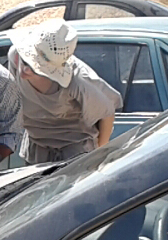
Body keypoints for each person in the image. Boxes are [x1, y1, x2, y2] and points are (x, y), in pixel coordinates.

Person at [8, 18, 123, 164]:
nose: (25, 70)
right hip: (36, 149)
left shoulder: (78, 81)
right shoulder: (14, 56)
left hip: (75, 153)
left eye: (36, 69)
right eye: (25, 61)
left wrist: (99, 153)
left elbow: (107, 113)